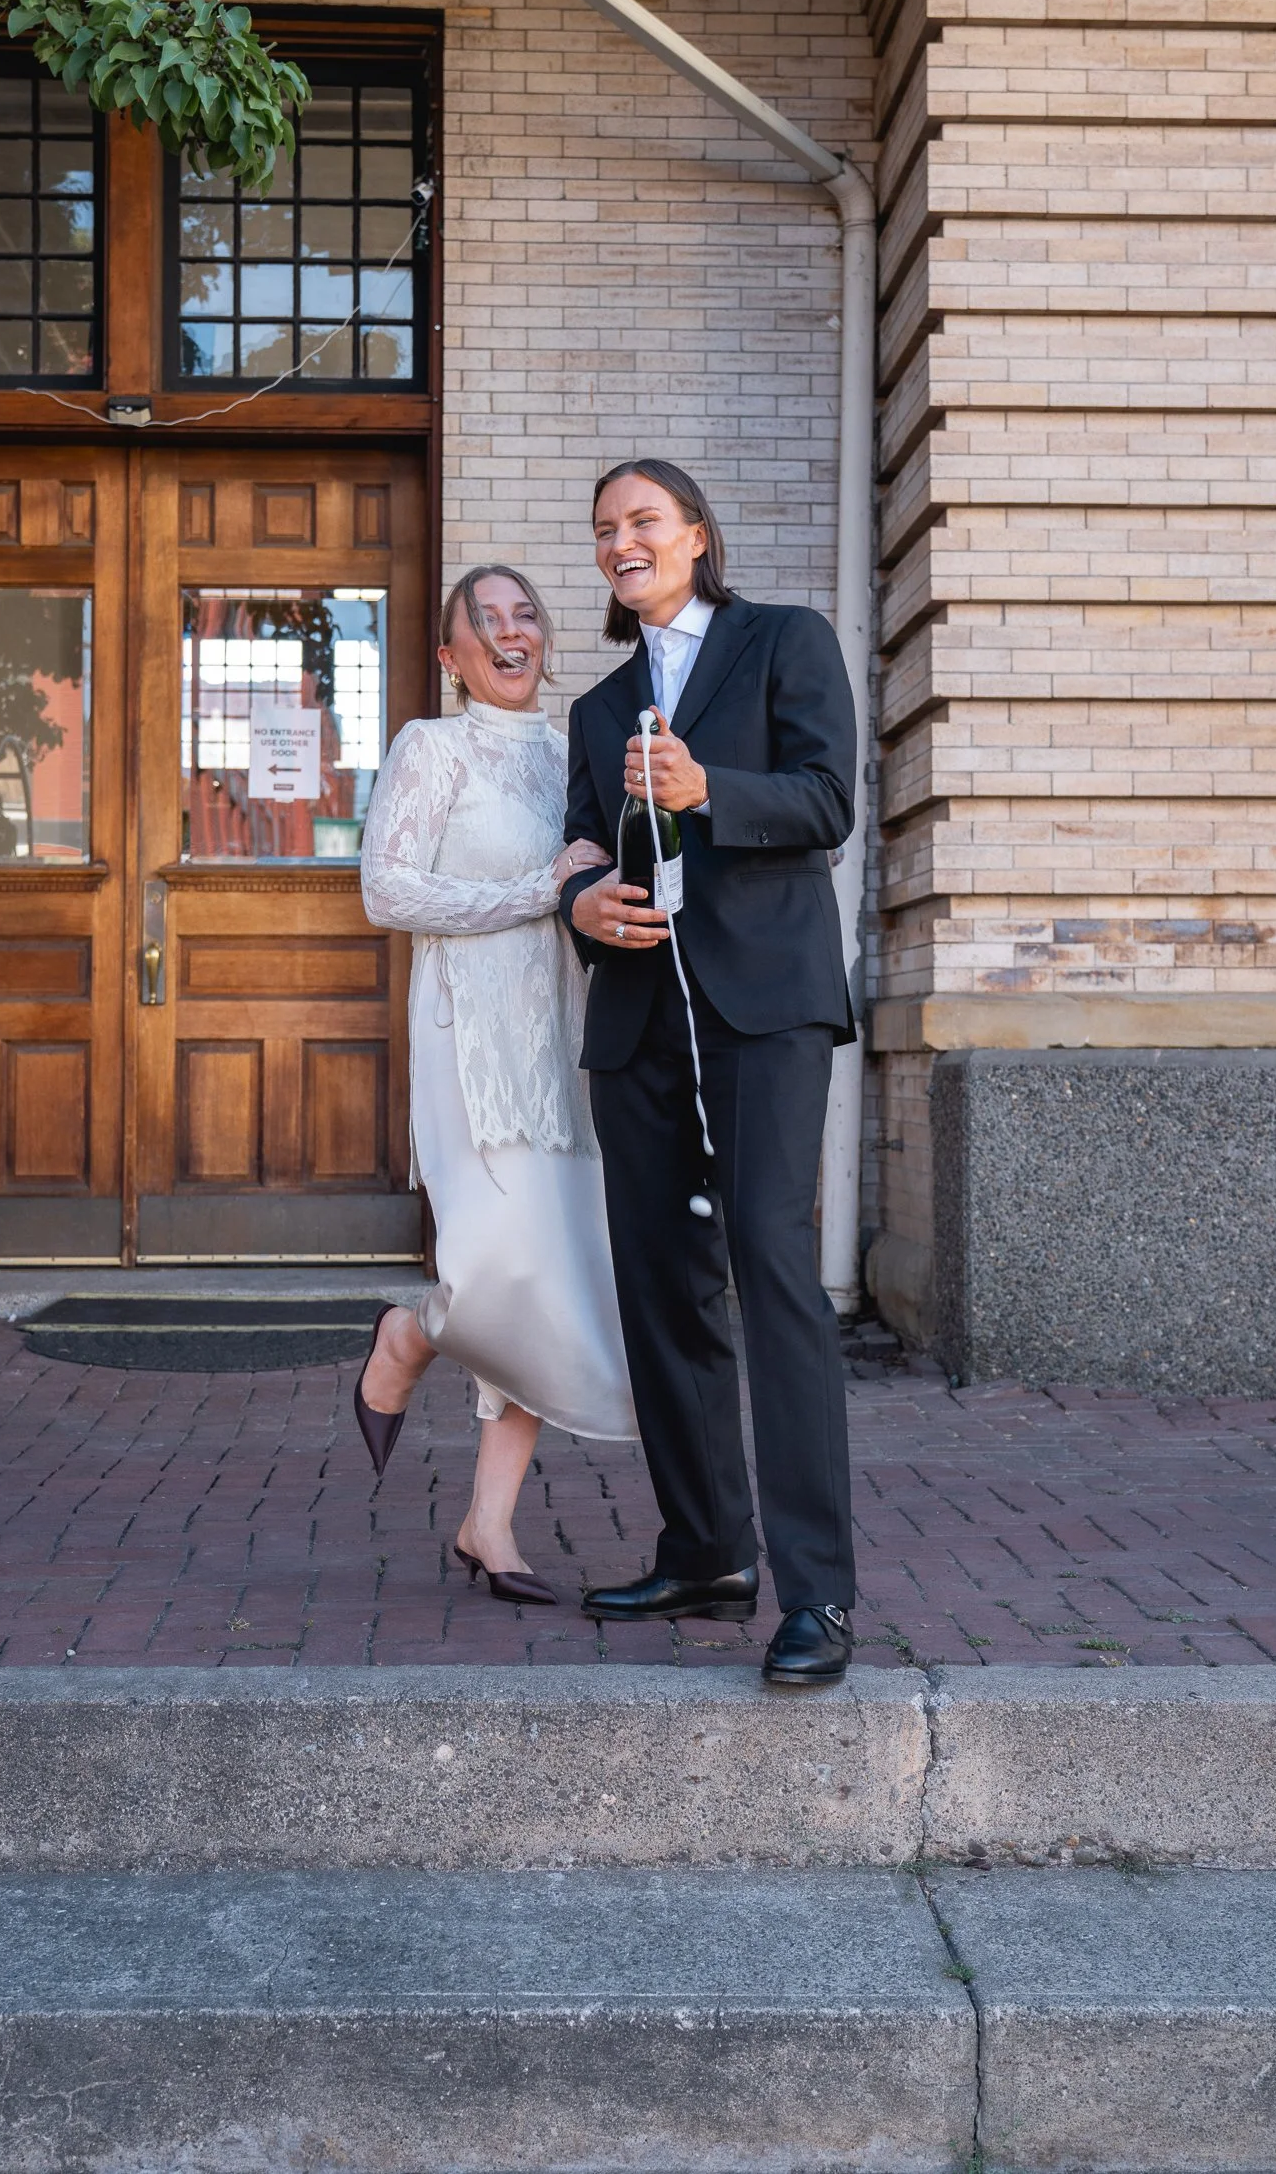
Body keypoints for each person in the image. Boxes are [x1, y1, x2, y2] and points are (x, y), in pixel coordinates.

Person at [560, 460, 860, 1686]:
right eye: (601, 531)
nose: (619, 542)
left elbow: (826, 798)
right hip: (637, 1019)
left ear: (693, 534)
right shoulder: (596, 708)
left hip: (764, 1007)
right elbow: (578, 836)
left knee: (770, 1268)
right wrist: (578, 899)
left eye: (639, 521)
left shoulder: (786, 642)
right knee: (660, 1289)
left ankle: (818, 1596)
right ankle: (704, 1551)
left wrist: (706, 789)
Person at [356, 564, 635, 1604]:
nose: (510, 633)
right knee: (490, 1263)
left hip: (560, 1041)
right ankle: (410, 1333)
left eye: (525, 616)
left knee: (548, 1273)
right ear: (450, 655)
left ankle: (488, 1522)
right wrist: (541, 887)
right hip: (467, 1040)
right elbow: (385, 888)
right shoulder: (431, 747)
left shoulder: (578, 752)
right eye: (487, 620)